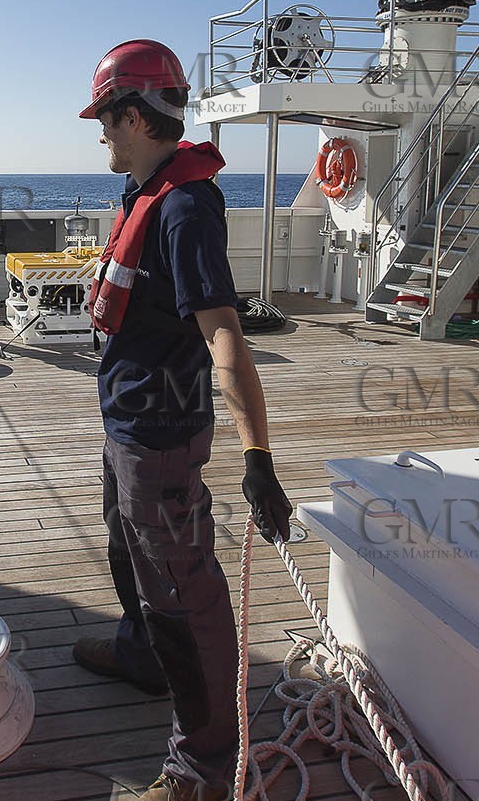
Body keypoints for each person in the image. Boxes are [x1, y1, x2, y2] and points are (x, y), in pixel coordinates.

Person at [71, 39, 294, 801]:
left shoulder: (186, 207)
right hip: (127, 425)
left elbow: (224, 332)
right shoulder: (148, 188)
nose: (100, 133)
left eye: (105, 118)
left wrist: (256, 453)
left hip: (161, 441)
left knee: (185, 598)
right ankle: (139, 653)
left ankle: (200, 772)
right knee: (126, 552)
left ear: (134, 116)